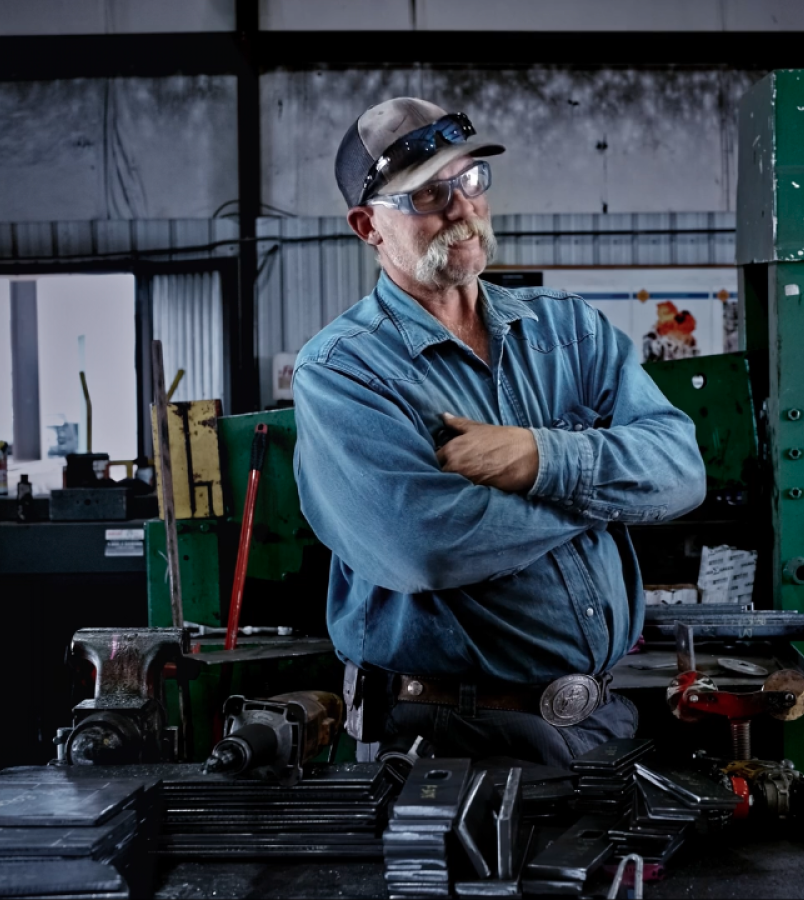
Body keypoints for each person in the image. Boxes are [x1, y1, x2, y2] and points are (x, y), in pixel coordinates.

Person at [293, 97, 706, 767]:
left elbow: (683, 471)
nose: (461, 209)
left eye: (471, 181)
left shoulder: (569, 330)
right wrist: (603, 491)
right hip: (451, 738)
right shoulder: (344, 370)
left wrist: (535, 457)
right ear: (368, 225)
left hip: (603, 719)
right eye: (428, 193)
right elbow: (424, 544)